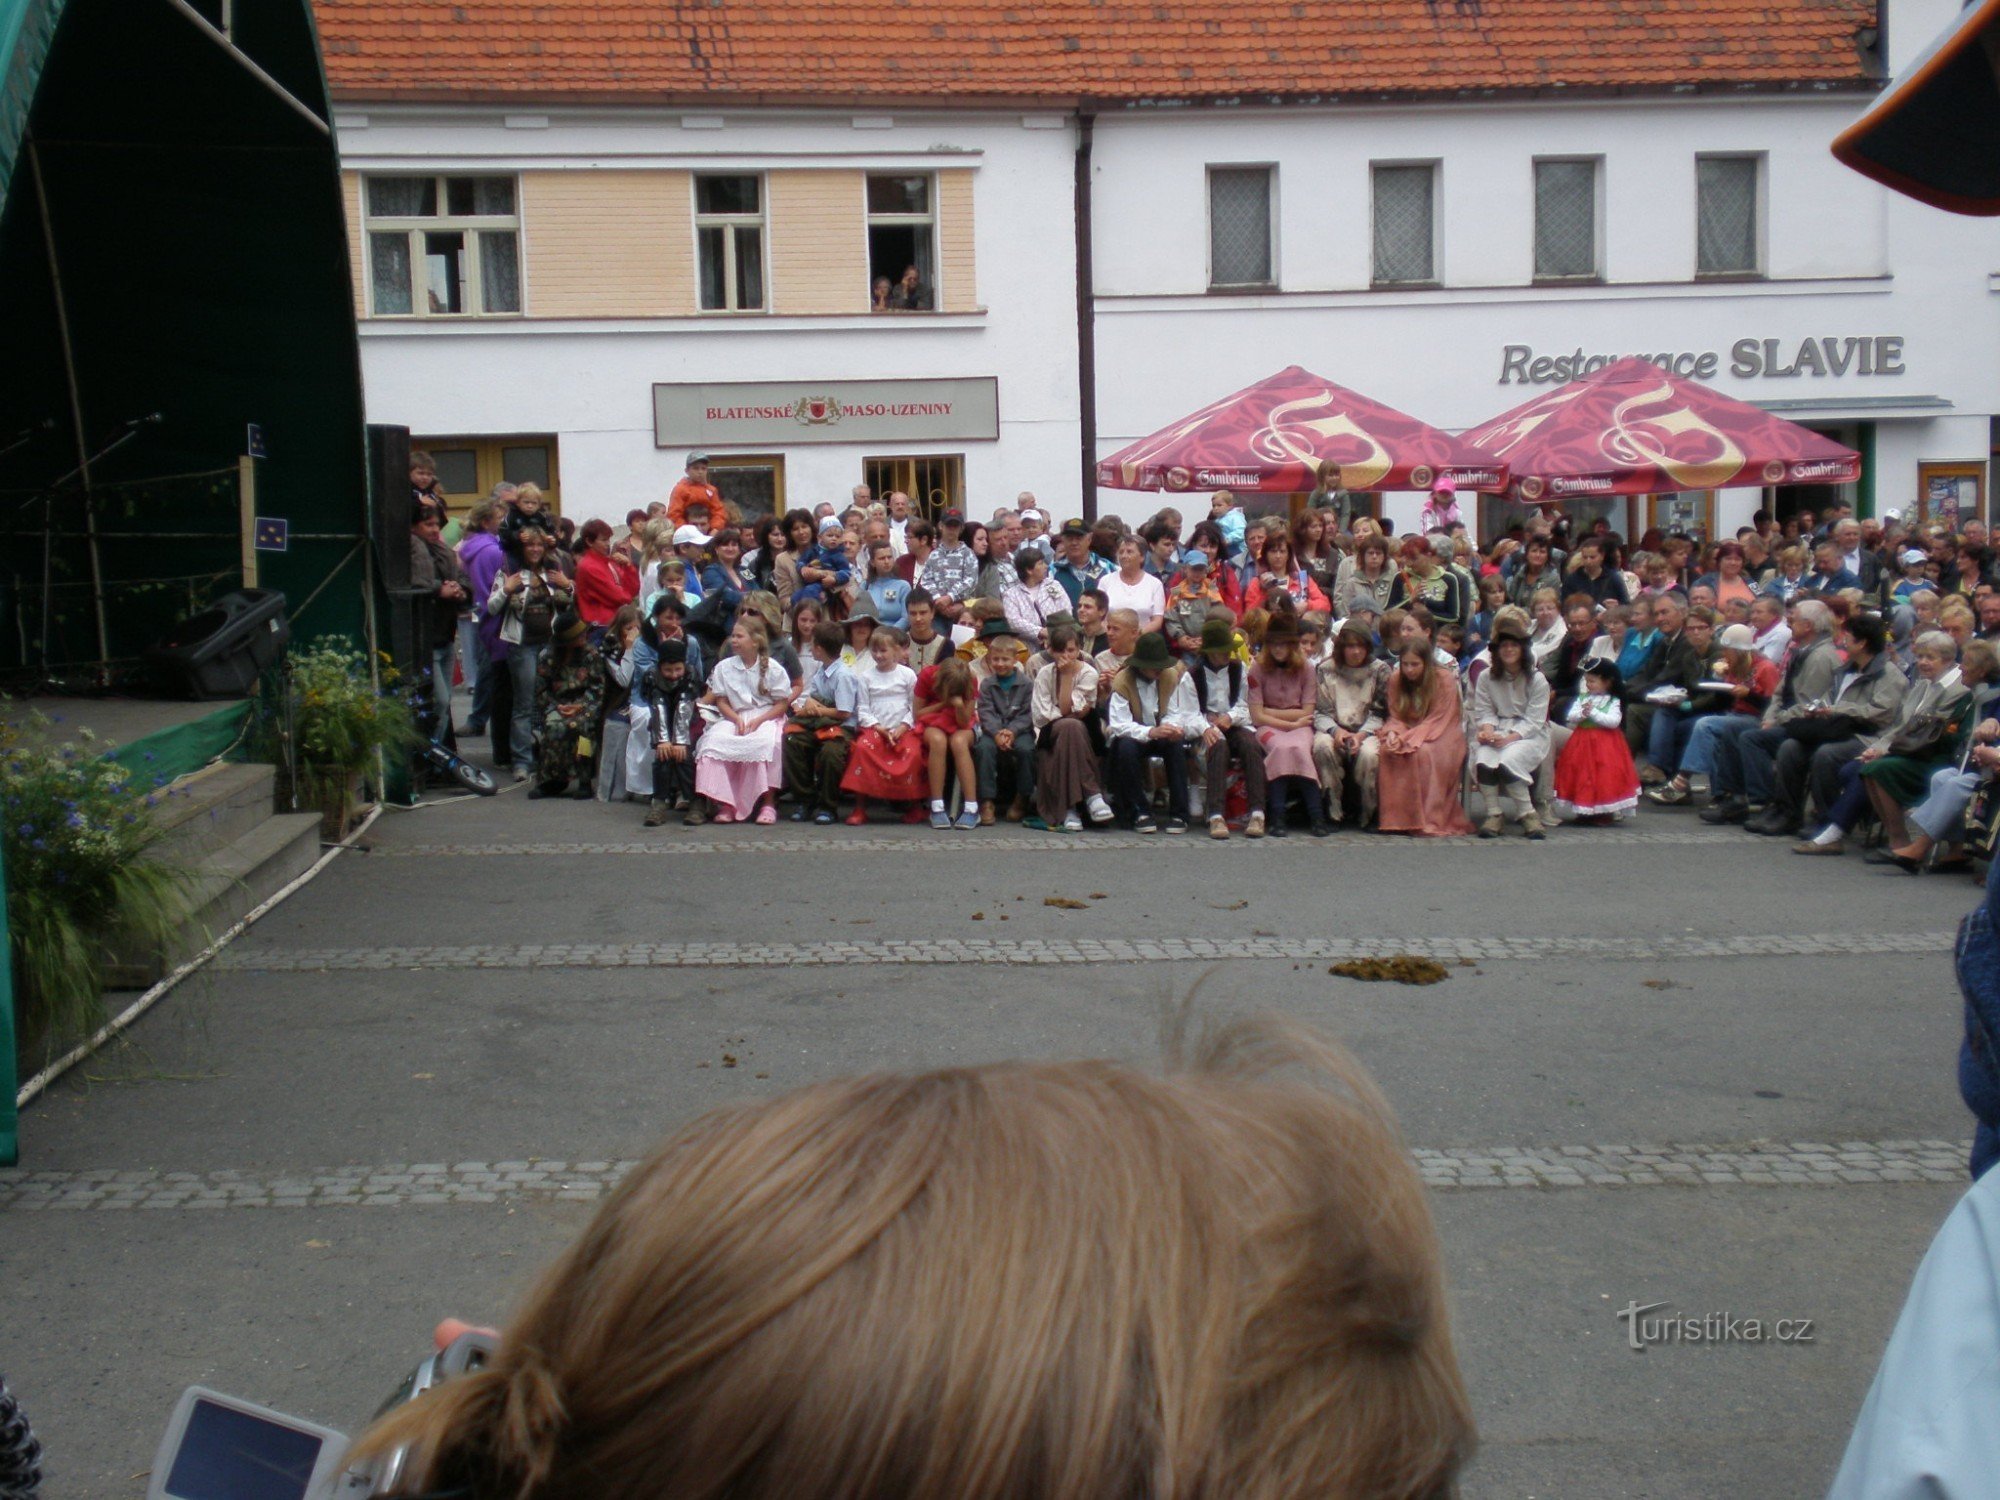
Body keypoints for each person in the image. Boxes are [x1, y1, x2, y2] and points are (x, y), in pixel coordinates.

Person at [1796, 630, 1970, 856]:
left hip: (1929, 755)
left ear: (1948, 660)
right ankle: (1880, 833)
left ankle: (1844, 832)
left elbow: (1927, 733)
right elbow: (1901, 725)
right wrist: (1877, 748)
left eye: (1930, 657)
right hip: (1906, 748)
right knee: (1851, 770)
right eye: (1920, 657)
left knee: (1870, 770)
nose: (1922, 662)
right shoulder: (1923, 684)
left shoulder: (1956, 690)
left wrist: (1885, 752)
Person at [1744, 611, 1907, 840]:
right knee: (1791, 746)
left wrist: (1837, 710)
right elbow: (1828, 698)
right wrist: (1817, 710)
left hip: (1867, 735)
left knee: (1826, 755)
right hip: (1836, 729)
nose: (1842, 641)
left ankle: (1827, 818)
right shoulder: (1846, 670)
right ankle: (1787, 811)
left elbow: (1881, 714)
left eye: (1848, 637)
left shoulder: (1888, 674)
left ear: (1862, 643)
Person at [1701, 599, 1842, 825]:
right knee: (1732, 729)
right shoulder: (1802, 650)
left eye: (1793, 620)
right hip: (1786, 718)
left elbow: (1808, 703)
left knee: (1751, 738)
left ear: (1808, 626)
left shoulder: (1820, 657)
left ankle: (1760, 800)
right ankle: (1734, 795)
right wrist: (1770, 717)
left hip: (1805, 725)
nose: (1789, 623)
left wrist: (1776, 720)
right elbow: (1780, 692)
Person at [487, 528, 576, 782]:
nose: (536, 550)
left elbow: (569, 604)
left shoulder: (552, 573)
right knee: (524, 704)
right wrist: (506, 590)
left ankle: (551, 755)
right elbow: (492, 607)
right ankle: (522, 761)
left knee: (552, 701)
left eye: (540, 546)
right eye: (531, 546)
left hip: (550, 644)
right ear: (522, 549)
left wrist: (567, 586)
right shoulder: (510, 574)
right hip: (522, 645)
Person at [691, 618, 793, 826]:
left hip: (766, 715)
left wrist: (760, 720)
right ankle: (726, 801)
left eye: (739, 636)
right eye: (733, 635)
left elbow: (781, 704)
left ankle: (768, 802)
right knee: (713, 742)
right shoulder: (724, 667)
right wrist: (735, 718)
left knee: (768, 742)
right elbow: (721, 700)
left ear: (755, 641)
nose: (734, 640)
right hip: (734, 715)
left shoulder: (773, 668)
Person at [1181, 615, 1265, 839]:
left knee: (1250, 745)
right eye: (1222, 651)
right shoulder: (1191, 676)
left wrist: (1230, 717)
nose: (1227, 655)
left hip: (1234, 723)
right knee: (1217, 746)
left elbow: (1245, 704)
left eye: (1229, 650)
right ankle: (1217, 815)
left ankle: (1258, 812)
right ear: (1208, 651)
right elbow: (1188, 714)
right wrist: (1204, 727)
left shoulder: (1240, 669)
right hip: (1206, 726)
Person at [1376, 645, 1474, 837]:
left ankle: (1427, 819)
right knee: (1389, 751)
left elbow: (1440, 717)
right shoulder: (1396, 678)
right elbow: (1396, 715)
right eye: (1405, 664)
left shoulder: (1443, 679)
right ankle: (1399, 819)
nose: (1409, 669)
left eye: (1415, 664)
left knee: (1423, 753)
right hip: (1409, 728)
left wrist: (1409, 738)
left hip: (1443, 732)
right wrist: (1394, 733)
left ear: (1426, 664)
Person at [1469, 610, 1551, 839]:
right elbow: (1484, 710)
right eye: (1503, 646)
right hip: (1498, 730)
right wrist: (1487, 731)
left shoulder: (1537, 680)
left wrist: (1510, 737)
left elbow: (1535, 720)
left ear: (1522, 649)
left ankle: (1528, 814)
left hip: (1528, 734)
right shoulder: (1487, 677)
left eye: (1514, 645)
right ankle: (1494, 814)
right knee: (1484, 757)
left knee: (1508, 760)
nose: (1508, 650)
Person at [1106, 630, 1198, 834]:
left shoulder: (1170, 676)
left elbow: (1175, 710)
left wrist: (1171, 727)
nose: (1158, 670)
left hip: (1159, 731)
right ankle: (1139, 810)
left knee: (1175, 745)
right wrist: (1150, 732)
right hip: (1134, 733)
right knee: (1126, 748)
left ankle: (1179, 813)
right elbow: (1119, 724)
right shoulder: (1122, 681)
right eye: (1153, 666)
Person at [1027, 623, 1115, 832]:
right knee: (1069, 724)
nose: (1066, 655)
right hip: (1051, 731)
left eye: (1071, 650)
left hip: (1085, 733)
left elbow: (1074, 710)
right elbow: (1046, 715)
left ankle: (1070, 808)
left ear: (1078, 650)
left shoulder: (1088, 673)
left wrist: (1068, 680)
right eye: (1060, 650)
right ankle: (1092, 795)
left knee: (1070, 728)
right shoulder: (1045, 674)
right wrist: (1065, 677)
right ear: (1051, 650)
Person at [1248, 613, 1329, 837]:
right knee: (1280, 748)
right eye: (1273, 643)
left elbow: (1308, 710)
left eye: (1283, 644)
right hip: (1271, 728)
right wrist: (1289, 719)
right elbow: (1257, 716)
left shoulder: (1307, 668)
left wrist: (1272, 712)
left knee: (1300, 748)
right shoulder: (1257, 668)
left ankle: (1316, 815)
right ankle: (1277, 815)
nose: (1278, 649)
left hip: (1300, 726)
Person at [841, 627, 926, 824]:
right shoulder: (866, 677)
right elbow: (862, 708)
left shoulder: (908, 675)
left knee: (912, 753)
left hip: (904, 728)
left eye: (883, 651)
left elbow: (914, 706)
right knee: (862, 749)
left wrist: (903, 727)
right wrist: (877, 726)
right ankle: (860, 807)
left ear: (896, 651)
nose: (878, 655)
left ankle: (915, 806)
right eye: (875, 651)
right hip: (876, 728)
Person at [1313, 621, 1389, 829]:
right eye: (1350, 646)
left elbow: (1380, 712)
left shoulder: (1380, 670)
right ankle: (1332, 810)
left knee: (1369, 755)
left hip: (1369, 729)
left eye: (1361, 646)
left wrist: (1360, 735)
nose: (1356, 652)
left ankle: (1369, 812)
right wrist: (1337, 731)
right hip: (1332, 726)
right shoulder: (1325, 669)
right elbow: (1320, 710)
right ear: (1341, 647)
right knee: (1322, 747)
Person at [784, 621, 860, 825]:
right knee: (793, 739)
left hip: (840, 725)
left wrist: (816, 709)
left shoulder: (843, 675)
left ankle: (828, 805)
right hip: (820, 721)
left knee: (831, 752)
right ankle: (805, 799)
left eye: (814, 645)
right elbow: (813, 696)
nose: (811, 649)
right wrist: (810, 704)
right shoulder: (822, 670)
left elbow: (843, 712)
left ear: (819, 649)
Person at [528, 612, 605, 800]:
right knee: (554, 726)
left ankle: (585, 779)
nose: (583, 637)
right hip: (557, 704)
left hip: (585, 704)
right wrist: (556, 707)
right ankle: (552, 779)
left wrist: (580, 706)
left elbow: (598, 688)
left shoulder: (591, 654)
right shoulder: (548, 657)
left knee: (582, 730)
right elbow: (541, 690)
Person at [1553, 658, 1638, 824]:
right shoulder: (1583, 698)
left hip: (1606, 744)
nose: (1588, 685)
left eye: (1592, 681)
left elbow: (1614, 721)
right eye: (1587, 681)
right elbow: (1571, 716)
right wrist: (1582, 714)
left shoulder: (1613, 701)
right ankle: (1584, 808)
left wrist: (1593, 714)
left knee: (1604, 775)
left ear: (1607, 682)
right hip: (1583, 741)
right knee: (1582, 773)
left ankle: (1604, 810)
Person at [409, 501, 468, 740]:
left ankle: (435, 757)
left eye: (436, 524)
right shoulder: (411, 550)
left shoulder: (443, 551)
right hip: (426, 637)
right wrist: (438, 590)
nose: (435, 529)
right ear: (414, 526)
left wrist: (460, 590)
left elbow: (463, 578)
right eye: (428, 524)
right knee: (440, 701)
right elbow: (412, 582)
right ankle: (431, 755)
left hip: (445, 634)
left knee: (444, 703)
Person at [973, 634, 1035, 823]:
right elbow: (985, 711)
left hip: (1020, 731)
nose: (1000, 664)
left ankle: (1022, 797)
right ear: (989, 659)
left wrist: (1012, 731)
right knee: (984, 748)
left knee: (1027, 750)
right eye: (996, 659)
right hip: (993, 732)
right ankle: (987, 800)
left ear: (1015, 660)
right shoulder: (987, 684)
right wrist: (998, 732)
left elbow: (1028, 713)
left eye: (1005, 659)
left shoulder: (1026, 684)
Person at [639, 637, 700, 826]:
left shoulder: (691, 676)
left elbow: (685, 705)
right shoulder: (651, 677)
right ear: (659, 667)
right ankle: (659, 802)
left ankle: (696, 802)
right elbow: (657, 706)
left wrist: (681, 741)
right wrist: (663, 741)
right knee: (663, 757)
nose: (673, 675)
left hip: (689, 724)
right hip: (661, 723)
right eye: (667, 670)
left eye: (677, 669)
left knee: (684, 758)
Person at [917, 655, 981, 829]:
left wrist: (959, 706)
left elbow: (964, 722)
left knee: (959, 743)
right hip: (933, 719)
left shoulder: (970, 679)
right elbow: (918, 714)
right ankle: (937, 806)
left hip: (962, 722)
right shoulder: (927, 675)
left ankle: (971, 807)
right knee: (938, 741)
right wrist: (944, 703)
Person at [594, 606, 643, 803]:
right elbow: (623, 678)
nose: (633, 633)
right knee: (617, 726)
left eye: (637, 628)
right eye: (628, 628)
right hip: (615, 703)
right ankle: (612, 789)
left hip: (640, 700)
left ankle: (642, 788)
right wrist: (629, 650)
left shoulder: (647, 647)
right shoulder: (609, 649)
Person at [1243, 532, 1331, 618]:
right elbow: (1249, 615)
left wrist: (1307, 605)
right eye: (1273, 551)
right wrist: (1263, 593)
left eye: (1282, 551)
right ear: (1266, 554)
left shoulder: (1302, 579)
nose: (1278, 556)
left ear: (1289, 555)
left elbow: (1325, 605)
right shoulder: (1257, 583)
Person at [1100, 533, 1169, 635]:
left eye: (1129, 552)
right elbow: (1098, 616)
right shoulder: (1106, 581)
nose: (1124, 556)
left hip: (1142, 642)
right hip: (1110, 640)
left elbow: (1157, 620)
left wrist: (1134, 636)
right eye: (1121, 552)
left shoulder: (1154, 584)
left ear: (1142, 557)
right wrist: (1113, 634)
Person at [1001, 546, 1070, 647]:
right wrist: (1040, 632)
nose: (1046, 566)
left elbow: (1066, 611)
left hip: (1059, 645)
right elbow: (1013, 621)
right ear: (1029, 570)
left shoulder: (1053, 585)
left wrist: (1053, 633)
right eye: (1041, 563)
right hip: (1028, 649)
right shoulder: (1011, 594)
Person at [861, 539, 911, 628]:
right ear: (873, 562)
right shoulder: (865, 586)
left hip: (896, 635)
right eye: (882, 558)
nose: (887, 561)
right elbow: (860, 616)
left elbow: (906, 618)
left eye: (889, 557)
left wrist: (889, 634)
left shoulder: (903, 586)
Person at [668, 451, 723, 531]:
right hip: (686, 533)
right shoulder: (680, 489)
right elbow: (674, 515)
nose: (700, 472)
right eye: (696, 468)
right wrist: (688, 532)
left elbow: (718, 512)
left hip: (708, 532)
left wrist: (714, 529)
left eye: (703, 468)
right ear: (687, 470)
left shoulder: (712, 490)